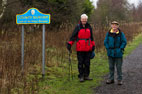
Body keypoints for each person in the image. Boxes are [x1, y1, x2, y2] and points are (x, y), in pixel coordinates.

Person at [67, 14, 95, 82]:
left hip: (88, 48)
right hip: (80, 48)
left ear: (86, 20)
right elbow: (73, 36)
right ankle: (81, 76)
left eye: (85, 20)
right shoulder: (78, 27)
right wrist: (69, 44)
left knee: (87, 63)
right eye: (83, 20)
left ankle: (86, 75)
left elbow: (91, 37)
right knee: (80, 63)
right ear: (81, 19)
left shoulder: (89, 26)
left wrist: (93, 45)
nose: (84, 21)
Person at [104, 21, 127, 85]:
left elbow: (124, 42)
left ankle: (119, 80)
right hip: (110, 52)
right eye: (113, 25)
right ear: (111, 26)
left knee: (119, 67)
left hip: (118, 52)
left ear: (117, 26)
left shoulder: (121, 33)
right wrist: (108, 48)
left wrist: (121, 49)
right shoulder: (108, 33)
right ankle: (111, 79)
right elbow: (105, 42)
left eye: (115, 25)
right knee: (111, 66)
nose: (114, 26)